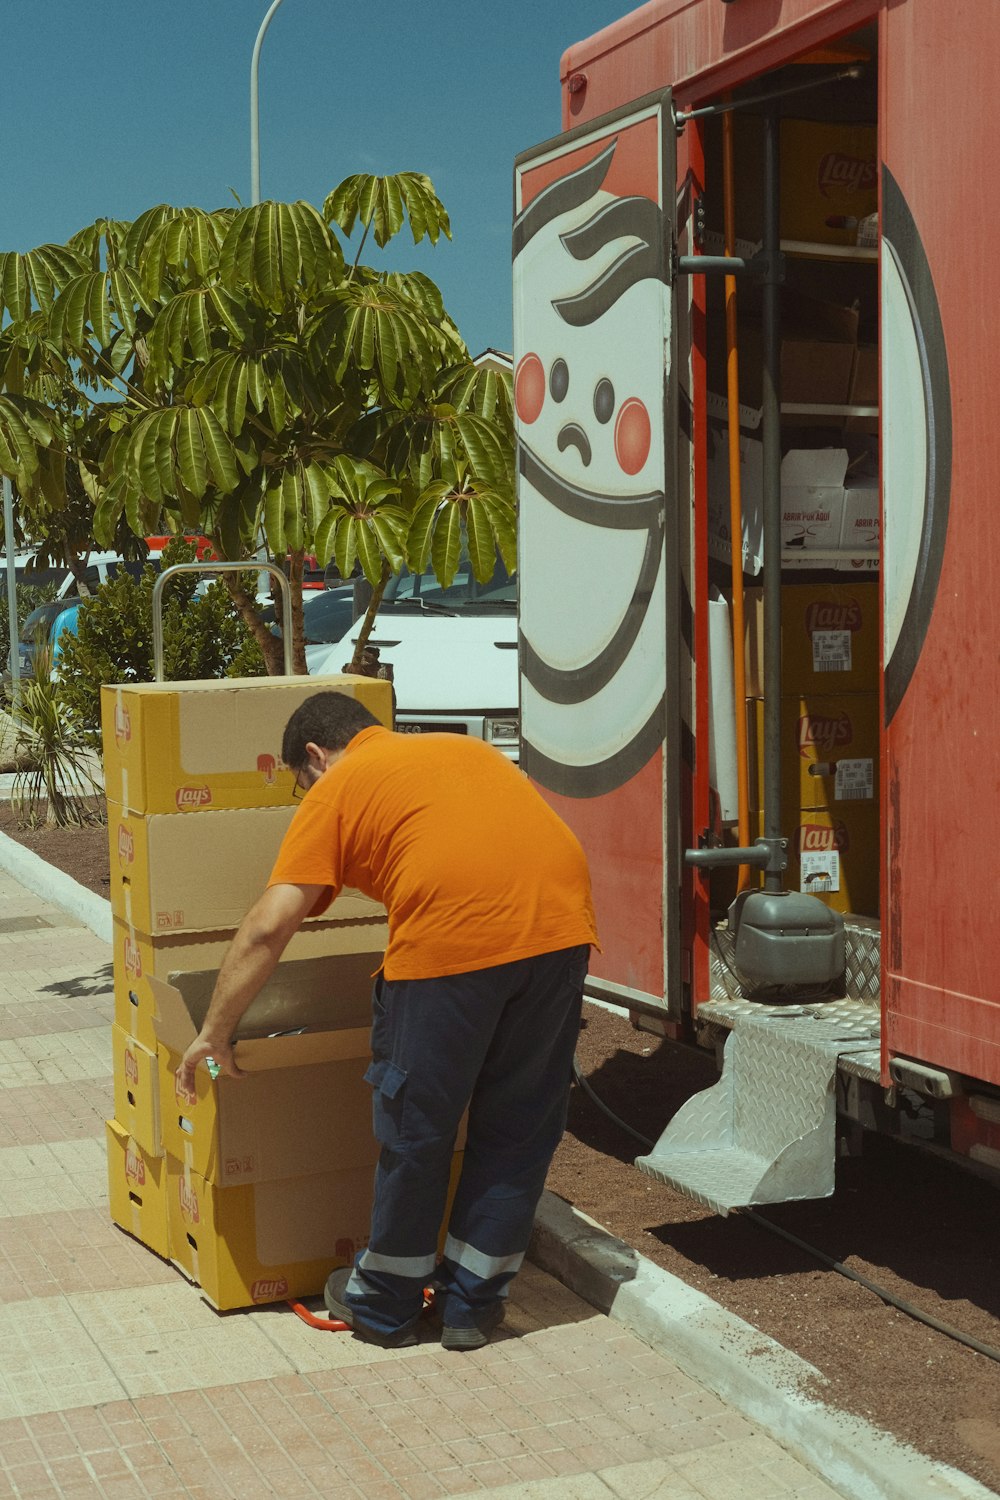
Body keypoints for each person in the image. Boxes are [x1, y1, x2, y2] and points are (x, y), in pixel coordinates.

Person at [176, 690, 598, 1351]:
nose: (304, 795)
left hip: (452, 947)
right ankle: (471, 1309)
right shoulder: (462, 750)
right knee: (518, 1132)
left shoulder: (339, 786)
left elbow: (269, 925)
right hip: (562, 933)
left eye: (300, 783)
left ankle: (386, 1307)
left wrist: (215, 1030)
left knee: (416, 1131)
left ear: (316, 756)